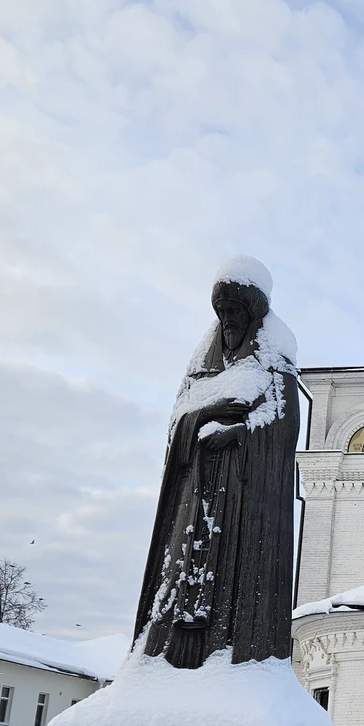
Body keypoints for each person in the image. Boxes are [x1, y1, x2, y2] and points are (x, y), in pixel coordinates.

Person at [134, 256, 300, 669]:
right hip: (195, 498)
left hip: (243, 503)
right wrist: (204, 415)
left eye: (234, 312)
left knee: (234, 580)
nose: (227, 321)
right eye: (221, 312)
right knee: (180, 572)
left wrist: (240, 434)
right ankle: (164, 659)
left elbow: (283, 425)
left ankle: (229, 652)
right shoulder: (200, 369)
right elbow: (177, 425)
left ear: (252, 315)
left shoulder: (273, 361)